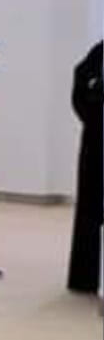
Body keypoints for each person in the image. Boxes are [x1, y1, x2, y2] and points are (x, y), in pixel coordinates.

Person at [70, 41, 103, 294]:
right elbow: (82, 81)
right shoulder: (101, 51)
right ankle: (88, 277)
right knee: (93, 206)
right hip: (98, 138)